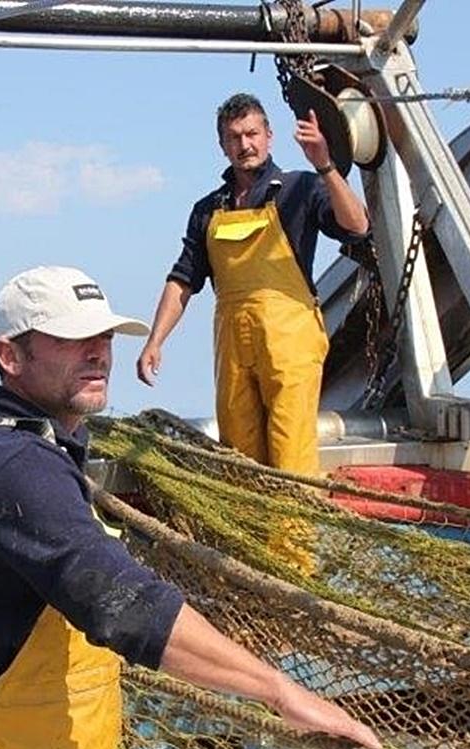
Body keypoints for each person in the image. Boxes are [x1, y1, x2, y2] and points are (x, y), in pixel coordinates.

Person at [0, 266, 380, 749]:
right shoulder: (17, 466)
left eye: (103, 336)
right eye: (70, 337)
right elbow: (122, 602)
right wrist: (281, 693)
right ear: (9, 355)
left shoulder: (40, 450)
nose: (98, 352)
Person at [136, 92, 370, 477]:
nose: (245, 145)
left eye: (252, 134)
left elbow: (357, 226)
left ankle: (293, 540)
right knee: (239, 457)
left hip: (289, 341)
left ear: (268, 135)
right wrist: (155, 341)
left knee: (291, 453)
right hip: (232, 345)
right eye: (235, 137)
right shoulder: (209, 208)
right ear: (222, 145)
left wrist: (326, 167)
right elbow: (183, 280)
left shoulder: (301, 188)